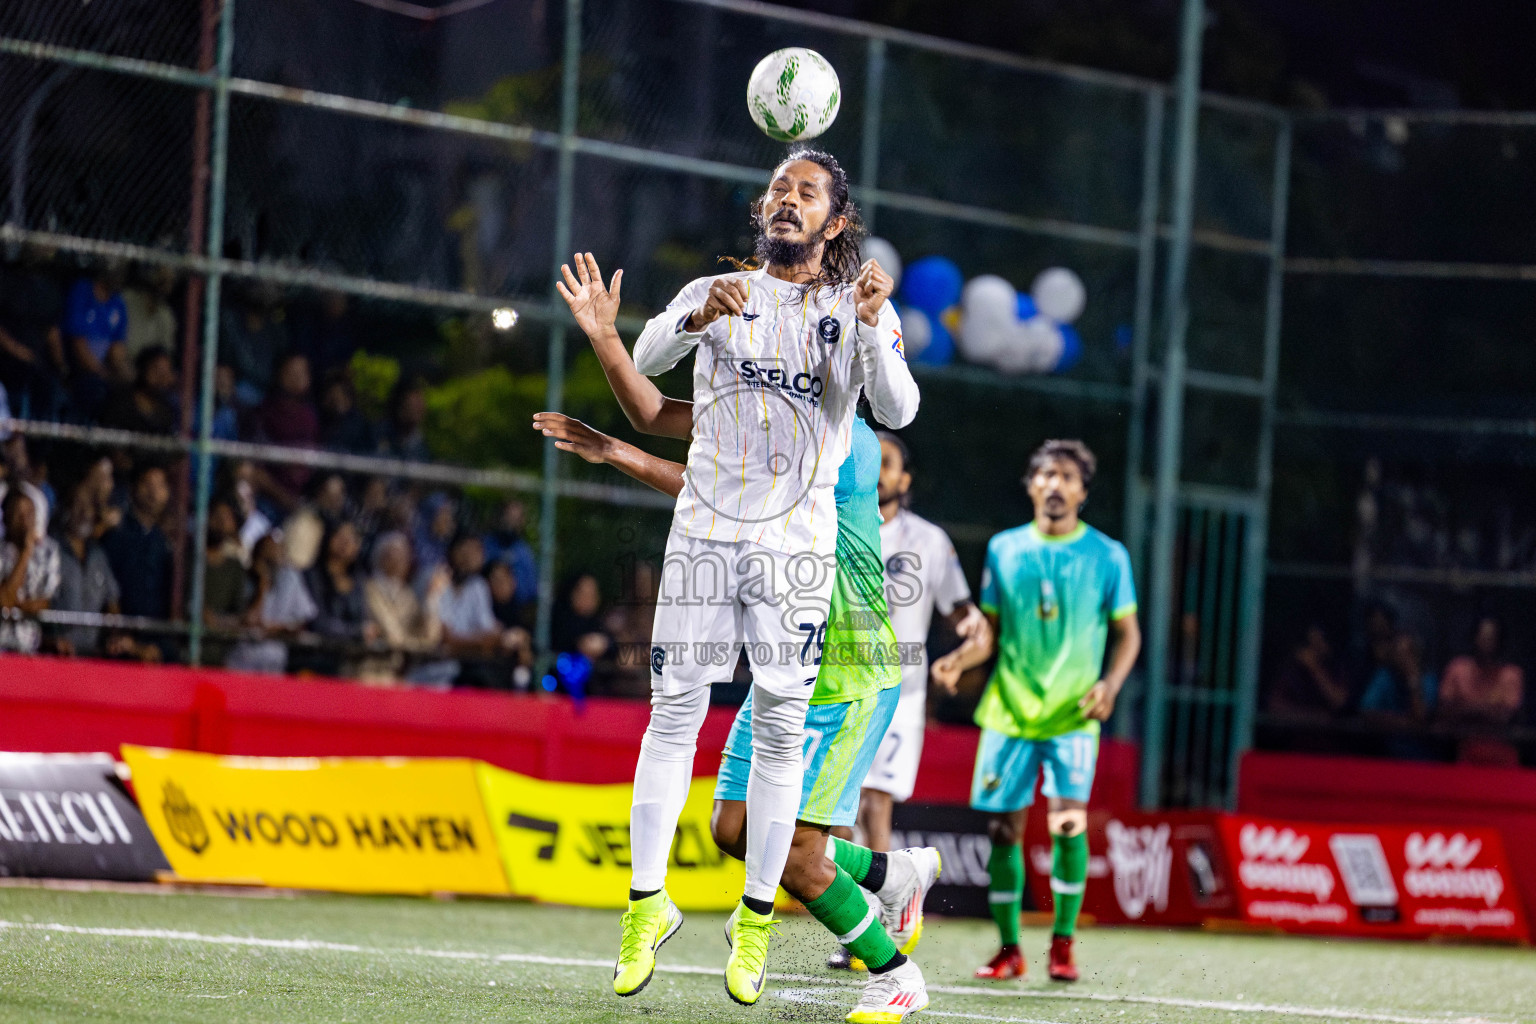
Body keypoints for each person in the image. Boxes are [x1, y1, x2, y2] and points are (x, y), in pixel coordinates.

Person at [541, 226, 925, 1018]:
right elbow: (681, 426)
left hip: (846, 664)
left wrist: (620, 454)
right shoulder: (770, 397)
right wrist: (626, 369)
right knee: (730, 828)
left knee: (791, 854)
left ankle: (895, 975)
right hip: (784, 639)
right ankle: (894, 876)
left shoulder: (844, 429)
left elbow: (707, 474)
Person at [934, 439, 1141, 984]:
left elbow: (1128, 634)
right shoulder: (1004, 549)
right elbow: (990, 634)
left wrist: (1111, 684)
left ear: (1083, 492)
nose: (1055, 485)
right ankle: (1009, 949)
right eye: (1046, 475)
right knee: (1004, 832)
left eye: (1067, 477)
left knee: (1069, 824)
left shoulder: (1107, 554)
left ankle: (1064, 945)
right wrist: (958, 659)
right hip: (1009, 713)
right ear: (1031, 486)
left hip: (1074, 713)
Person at [856, 432, 985, 859]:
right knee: (834, 802)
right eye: (866, 459)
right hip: (832, 682)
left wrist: (960, 656)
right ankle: (840, 904)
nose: (876, 470)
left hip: (898, 691)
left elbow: (970, 620)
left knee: (876, 800)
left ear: (905, 480)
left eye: (886, 462)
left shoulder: (929, 542)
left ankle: (883, 900)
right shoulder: (829, 524)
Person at [437, 532, 530, 688]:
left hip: (469, 663)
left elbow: (490, 632)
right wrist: (482, 642)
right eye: (473, 549)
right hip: (437, 665)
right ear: (455, 551)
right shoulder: (437, 580)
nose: (479, 555)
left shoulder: (478, 586)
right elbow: (445, 638)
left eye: (480, 550)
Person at [362, 531, 447, 684]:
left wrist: (431, 599)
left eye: (406, 555)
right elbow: (392, 636)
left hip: (399, 671)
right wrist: (415, 645)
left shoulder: (407, 595)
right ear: (382, 557)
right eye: (396, 554)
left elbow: (431, 638)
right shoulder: (369, 589)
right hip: (370, 670)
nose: (403, 560)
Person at [1437, 616, 1524, 766]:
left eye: (1490, 638)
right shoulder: (1457, 667)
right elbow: (1446, 711)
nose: (1485, 643)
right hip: (1463, 750)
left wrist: (1466, 707)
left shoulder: (1512, 674)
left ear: (1499, 641)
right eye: (1482, 637)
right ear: (1473, 638)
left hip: (1502, 752)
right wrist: (1488, 709)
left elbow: (1504, 716)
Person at [226, 533, 317, 674]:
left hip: (275, 662)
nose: (274, 554)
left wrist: (278, 628)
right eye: (267, 550)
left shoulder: (290, 577)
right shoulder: (245, 578)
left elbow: (304, 620)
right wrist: (262, 585)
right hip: (243, 660)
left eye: (278, 549)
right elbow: (250, 619)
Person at [100, 462, 173, 622]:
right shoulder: (116, 534)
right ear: (133, 488)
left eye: (160, 485)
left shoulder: (165, 542)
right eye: (147, 484)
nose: (153, 492)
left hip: (156, 632)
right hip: (120, 630)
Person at [304, 520, 376, 676]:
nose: (345, 543)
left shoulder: (358, 581)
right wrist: (357, 633)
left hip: (351, 657)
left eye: (351, 539)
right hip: (316, 655)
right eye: (340, 536)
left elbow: (363, 619)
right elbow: (318, 623)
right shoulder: (312, 576)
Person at [63, 263, 129, 420]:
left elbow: (117, 351)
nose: (120, 276)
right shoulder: (82, 291)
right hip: (75, 368)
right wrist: (102, 374)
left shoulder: (118, 303)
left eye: (123, 272)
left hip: (101, 371)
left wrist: (128, 379)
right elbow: (78, 344)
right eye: (117, 270)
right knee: (95, 389)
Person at [0, 489, 60, 654]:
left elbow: (45, 604)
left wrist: (14, 607)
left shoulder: (48, 551)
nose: (24, 519)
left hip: (31, 649)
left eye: (29, 512)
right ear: (5, 517)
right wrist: (25, 552)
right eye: (18, 513)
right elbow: (4, 600)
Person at [254, 352, 320, 496]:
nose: (297, 378)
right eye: (292, 372)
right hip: (270, 489)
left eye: (302, 373)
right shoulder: (266, 411)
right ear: (279, 375)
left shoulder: (311, 415)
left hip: (303, 491)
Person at [100, 346, 178, 435]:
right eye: (156, 370)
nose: (161, 377)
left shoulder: (167, 409)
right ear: (142, 368)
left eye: (165, 372)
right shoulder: (121, 401)